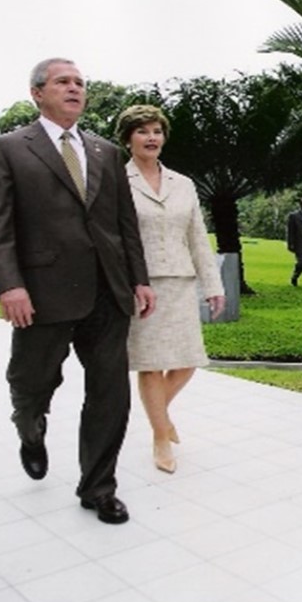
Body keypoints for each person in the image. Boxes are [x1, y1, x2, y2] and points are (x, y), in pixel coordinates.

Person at [0, 58, 155, 525]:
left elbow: (124, 224)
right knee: (32, 383)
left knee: (110, 395)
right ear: (37, 93)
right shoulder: (6, 149)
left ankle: (98, 488)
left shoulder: (105, 152)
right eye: (63, 82)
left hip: (107, 293)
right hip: (42, 294)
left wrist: (139, 277)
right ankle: (30, 427)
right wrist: (10, 285)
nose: (75, 88)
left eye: (80, 83)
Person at [117, 105, 226, 473]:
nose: (151, 138)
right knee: (150, 365)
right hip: (141, 286)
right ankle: (161, 437)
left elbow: (197, 237)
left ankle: (160, 417)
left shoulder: (184, 184)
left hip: (181, 282)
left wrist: (214, 285)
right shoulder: (118, 181)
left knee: (187, 360)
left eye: (157, 131)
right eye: (142, 131)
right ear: (128, 138)